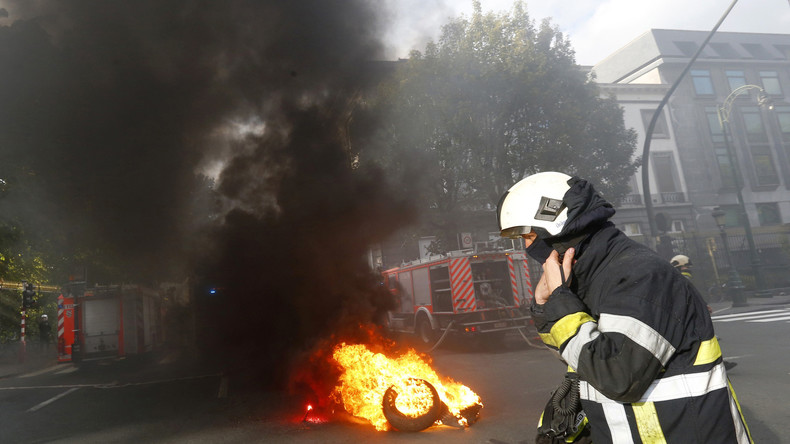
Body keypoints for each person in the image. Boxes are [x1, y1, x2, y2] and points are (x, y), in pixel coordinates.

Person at [497, 172, 752, 443]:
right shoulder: (590, 280)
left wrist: (561, 301)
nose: (526, 247)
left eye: (528, 235)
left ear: (557, 227)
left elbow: (618, 376)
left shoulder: (640, 275)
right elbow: (577, 354)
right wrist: (545, 306)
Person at [671, 254, 738, 371]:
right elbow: (691, 296)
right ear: (680, 267)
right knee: (703, 340)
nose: (688, 269)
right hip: (690, 317)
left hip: (685, 317)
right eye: (686, 266)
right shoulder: (682, 279)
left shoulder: (675, 280)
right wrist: (703, 306)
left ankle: (717, 362)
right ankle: (716, 363)